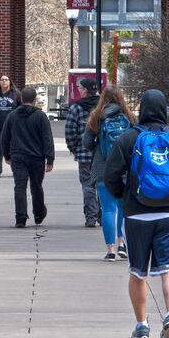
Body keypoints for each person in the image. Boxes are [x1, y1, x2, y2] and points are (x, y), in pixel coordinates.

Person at [104, 89, 169, 338]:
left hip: (137, 215)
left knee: (138, 272)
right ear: (164, 109)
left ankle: (142, 325)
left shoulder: (128, 138)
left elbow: (111, 177)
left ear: (141, 109)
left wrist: (125, 197)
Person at [82, 86, 136, 260]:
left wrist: (100, 144)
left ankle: (110, 250)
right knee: (122, 208)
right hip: (124, 168)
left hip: (102, 167)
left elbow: (87, 143)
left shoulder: (96, 117)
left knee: (107, 209)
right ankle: (122, 244)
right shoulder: (129, 117)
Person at [1, 86, 55, 228]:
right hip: (37, 158)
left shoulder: (12, 116)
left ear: (20, 99)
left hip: (18, 157)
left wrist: (6, 155)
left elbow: (4, 138)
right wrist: (50, 159)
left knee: (20, 186)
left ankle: (20, 217)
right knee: (36, 186)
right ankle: (39, 213)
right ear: (35, 99)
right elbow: (47, 138)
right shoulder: (41, 116)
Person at [65, 78, 100, 227]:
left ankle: (91, 217)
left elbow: (70, 132)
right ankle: (103, 216)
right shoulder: (103, 106)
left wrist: (74, 148)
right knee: (102, 185)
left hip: (84, 153)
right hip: (102, 154)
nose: (79, 89)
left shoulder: (76, 108)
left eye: (80, 87)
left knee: (87, 184)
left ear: (85, 90)